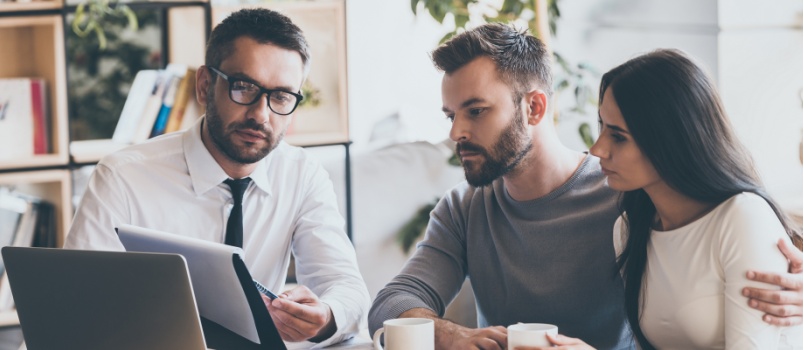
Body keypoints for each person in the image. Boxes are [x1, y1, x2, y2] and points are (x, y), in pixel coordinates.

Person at [367, 23, 803, 350]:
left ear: (534, 107)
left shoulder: (630, 194)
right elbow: (390, 304)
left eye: (476, 111)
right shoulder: (463, 208)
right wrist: (450, 335)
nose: (456, 131)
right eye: (450, 115)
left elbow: (720, 220)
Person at [65, 8, 369, 347]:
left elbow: (346, 287)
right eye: (243, 87)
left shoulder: (301, 174)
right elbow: (78, 306)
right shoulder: (123, 178)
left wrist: (327, 315)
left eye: (281, 96)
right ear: (205, 85)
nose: (260, 114)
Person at [522, 49, 803, 350]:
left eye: (618, 136)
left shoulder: (742, 218)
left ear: (670, 139)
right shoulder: (629, 228)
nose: (597, 148)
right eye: (602, 126)